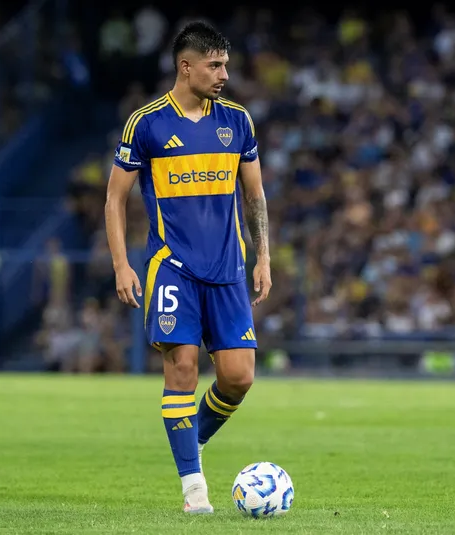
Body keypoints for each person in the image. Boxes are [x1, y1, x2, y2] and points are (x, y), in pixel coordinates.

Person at [104, 21, 271, 513]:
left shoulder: (237, 121)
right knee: (182, 368)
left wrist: (263, 256)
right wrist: (121, 264)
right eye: (214, 65)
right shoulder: (147, 123)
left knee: (239, 377)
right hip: (171, 265)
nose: (224, 74)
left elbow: (255, 196)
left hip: (228, 267)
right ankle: (194, 489)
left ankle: (188, 442)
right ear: (186, 66)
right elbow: (114, 199)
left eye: (225, 65)